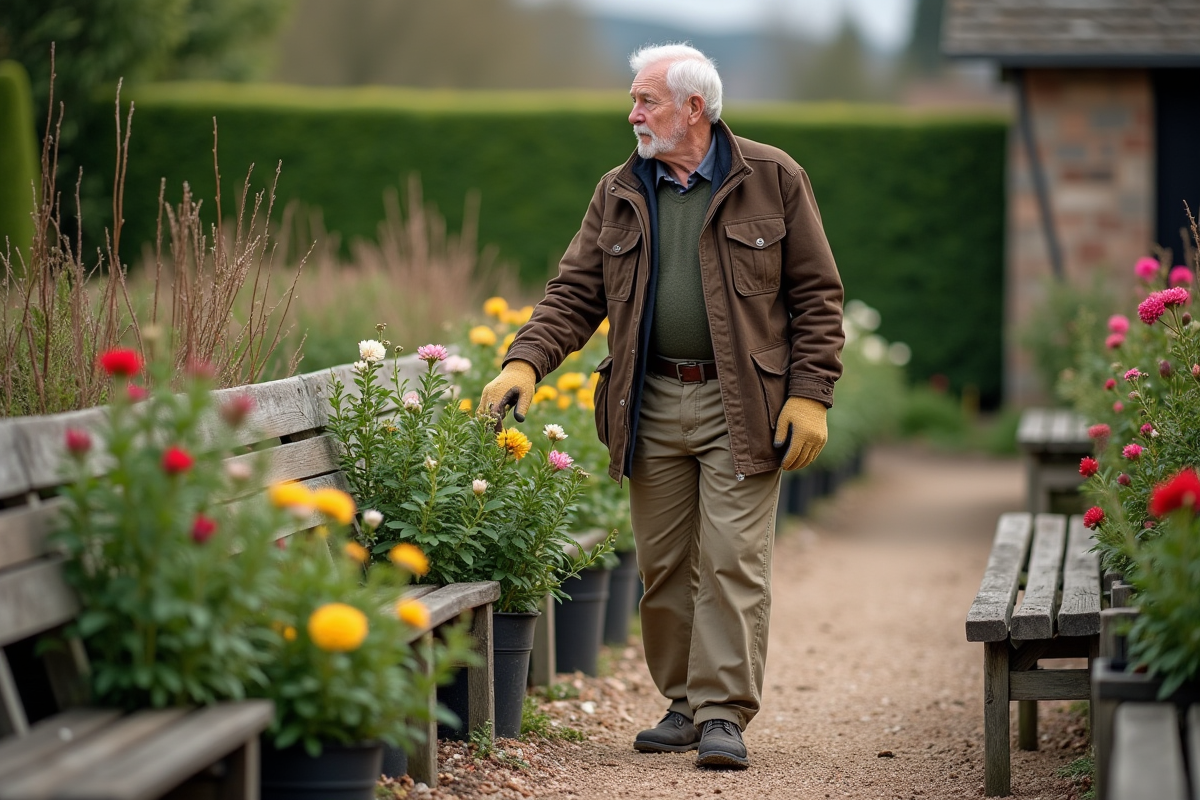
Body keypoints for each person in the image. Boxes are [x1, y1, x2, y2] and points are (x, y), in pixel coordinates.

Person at [480, 43, 844, 770]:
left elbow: (817, 297)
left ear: (694, 109)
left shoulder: (772, 179)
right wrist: (524, 361)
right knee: (666, 565)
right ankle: (682, 703)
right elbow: (575, 292)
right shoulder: (618, 189)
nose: (633, 113)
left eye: (646, 100)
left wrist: (810, 396)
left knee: (735, 560)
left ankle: (722, 714)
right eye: (634, 99)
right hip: (648, 400)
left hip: (744, 402)